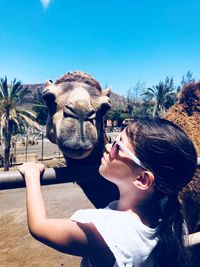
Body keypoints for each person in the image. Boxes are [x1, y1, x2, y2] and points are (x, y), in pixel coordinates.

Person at [18, 117, 197, 267]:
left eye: (118, 146)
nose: (107, 147)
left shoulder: (105, 231)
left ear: (142, 180)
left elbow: (39, 226)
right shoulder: (173, 221)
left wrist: (32, 174)